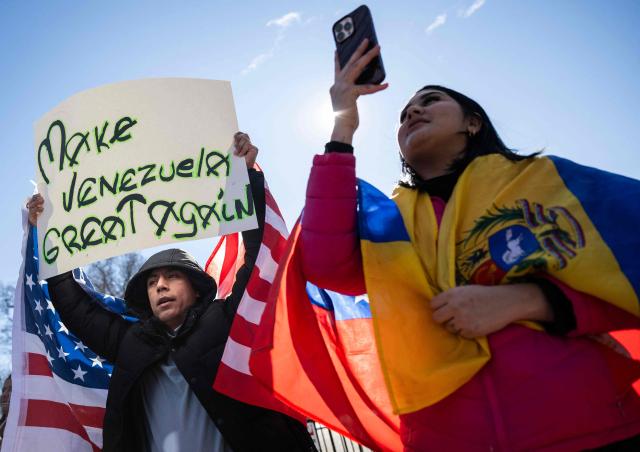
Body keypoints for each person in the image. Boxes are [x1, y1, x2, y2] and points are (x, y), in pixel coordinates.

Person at [301, 39, 640, 450]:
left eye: (431, 101)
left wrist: (532, 300)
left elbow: (627, 266)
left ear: (473, 124)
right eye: (404, 114)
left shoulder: (543, 180)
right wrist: (343, 128)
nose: (412, 112)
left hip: (589, 427)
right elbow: (325, 265)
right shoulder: (388, 222)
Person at [28, 132, 316, 452]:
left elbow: (259, 255)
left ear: (195, 288)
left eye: (172, 276)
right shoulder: (130, 342)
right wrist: (48, 234)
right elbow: (75, 308)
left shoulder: (227, 320)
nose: (160, 285)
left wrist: (245, 178)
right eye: (151, 283)